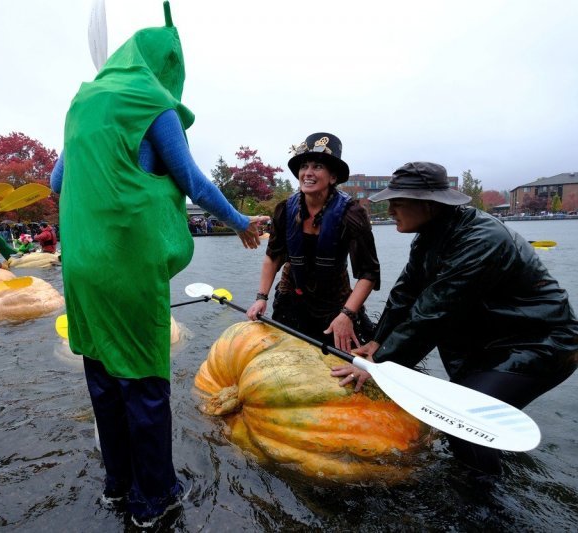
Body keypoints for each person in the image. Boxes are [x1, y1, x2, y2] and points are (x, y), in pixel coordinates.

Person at [57, 3, 268, 527]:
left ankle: (116, 486)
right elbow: (193, 180)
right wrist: (241, 222)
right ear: (166, 67)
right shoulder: (153, 102)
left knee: (103, 375)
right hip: (127, 267)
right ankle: (155, 498)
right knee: (145, 381)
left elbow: (59, 183)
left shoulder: (82, 105)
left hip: (81, 267)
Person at [330, 162, 578, 474]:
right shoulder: (428, 236)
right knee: (459, 428)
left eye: (398, 202)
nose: (391, 209)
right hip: (489, 343)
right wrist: (376, 342)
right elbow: (404, 296)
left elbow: (433, 313)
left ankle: (489, 507)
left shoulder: (482, 239)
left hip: (540, 344)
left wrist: (380, 364)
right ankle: (477, 476)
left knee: (465, 423)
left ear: (428, 204)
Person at [246, 132, 380, 351]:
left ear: (333, 177)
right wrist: (261, 297)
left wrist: (347, 314)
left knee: (338, 366)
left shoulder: (351, 214)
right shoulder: (284, 210)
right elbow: (273, 256)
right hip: (291, 297)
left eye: (317, 167)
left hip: (335, 304)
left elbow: (369, 273)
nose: (307, 173)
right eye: (304, 167)